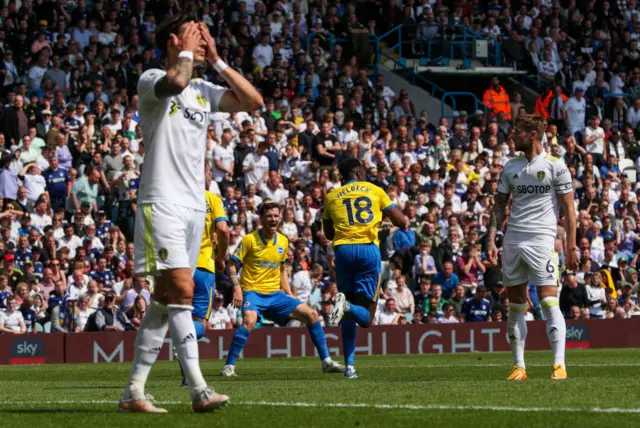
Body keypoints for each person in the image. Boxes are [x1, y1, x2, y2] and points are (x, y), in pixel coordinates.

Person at [120, 14, 263, 414]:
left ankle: (133, 393)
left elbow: (253, 102)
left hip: (194, 206)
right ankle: (200, 390)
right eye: (198, 36)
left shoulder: (203, 89)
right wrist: (186, 49)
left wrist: (216, 60)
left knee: (165, 302)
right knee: (181, 291)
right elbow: (176, 80)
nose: (204, 42)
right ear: (174, 39)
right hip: (161, 201)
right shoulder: (152, 79)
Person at [487, 114, 578, 381]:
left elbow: (569, 211)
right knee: (515, 305)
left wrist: (571, 246)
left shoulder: (555, 166)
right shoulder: (510, 167)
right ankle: (519, 366)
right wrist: (492, 238)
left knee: (549, 301)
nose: (513, 136)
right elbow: (499, 205)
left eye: (518, 132)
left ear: (533, 135)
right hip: (513, 240)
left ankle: (559, 365)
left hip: (541, 240)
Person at [221, 201, 344, 377]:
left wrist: (290, 294)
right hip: (253, 292)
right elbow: (231, 265)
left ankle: (326, 361)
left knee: (312, 315)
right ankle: (229, 367)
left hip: (276, 294)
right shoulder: (249, 240)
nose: (273, 219)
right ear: (261, 219)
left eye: (276, 216)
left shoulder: (283, 241)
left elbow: (281, 271)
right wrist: (237, 288)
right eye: (269, 216)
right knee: (248, 321)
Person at [322, 158, 407, 379]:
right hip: (368, 250)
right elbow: (401, 221)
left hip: (343, 252)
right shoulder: (375, 190)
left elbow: (329, 234)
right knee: (367, 319)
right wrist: (381, 219)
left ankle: (349, 366)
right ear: (359, 171)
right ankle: (347, 307)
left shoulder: (331, 196)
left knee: (346, 307)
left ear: (341, 175)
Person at [179, 164, 230, 387]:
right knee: (199, 323)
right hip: (203, 267)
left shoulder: (179, 198)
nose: (211, 177)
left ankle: (185, 378)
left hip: (179, 266)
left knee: (181, 318)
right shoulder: (212, 199)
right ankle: (186, 334)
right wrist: (221, 257)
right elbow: (223, 230)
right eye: (210, 173)